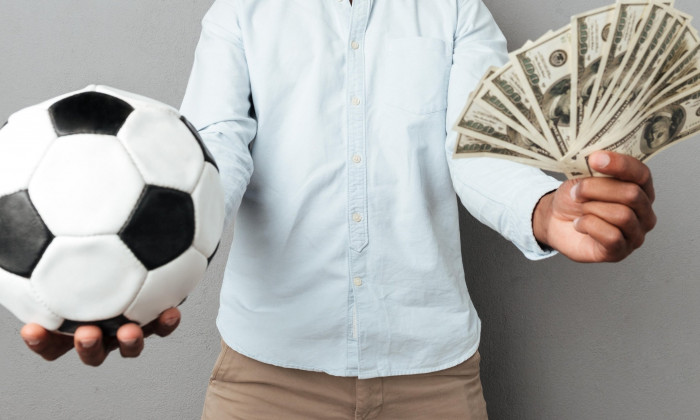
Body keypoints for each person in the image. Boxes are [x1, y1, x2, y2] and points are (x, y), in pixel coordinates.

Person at [20, 0, 656, 418]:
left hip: (432, 379)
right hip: (264, 381)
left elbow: (474, 152)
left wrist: (544, 208)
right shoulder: (239, 14)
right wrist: (126, 276)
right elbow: (213, 156)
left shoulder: (458, 12)